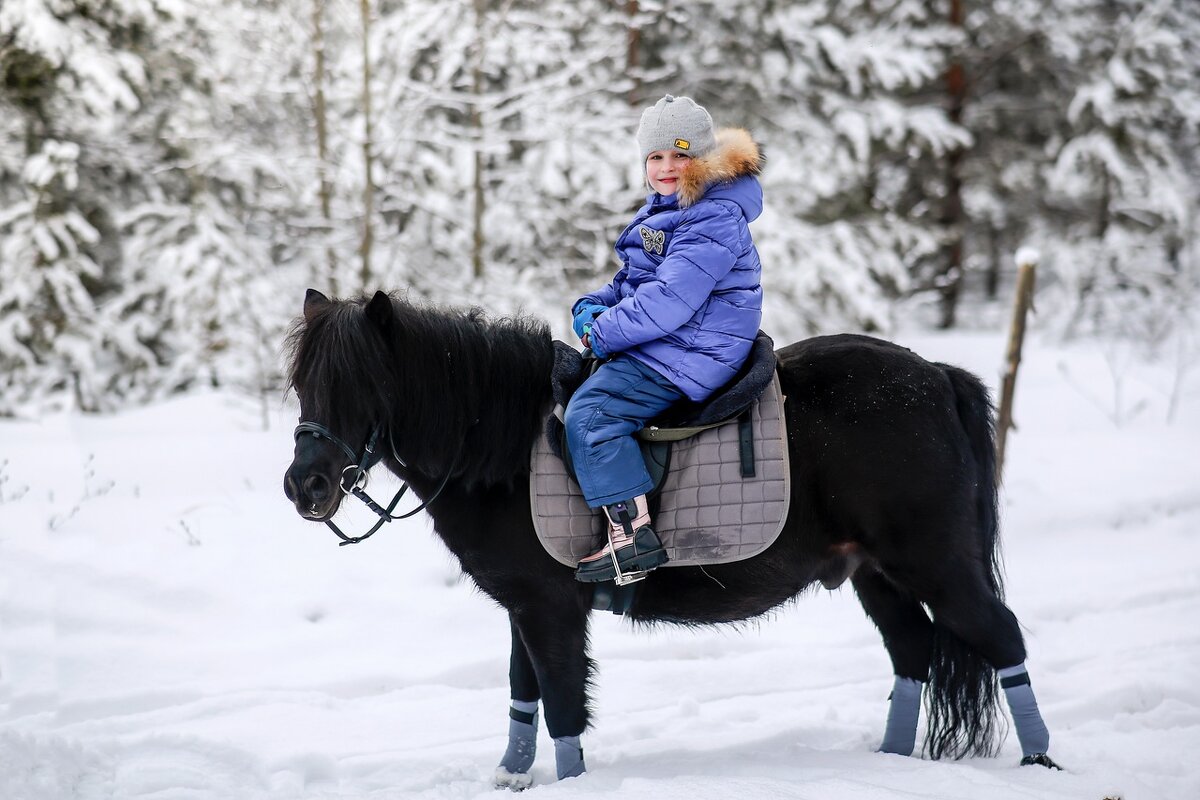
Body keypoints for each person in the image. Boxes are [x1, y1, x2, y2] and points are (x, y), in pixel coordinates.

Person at [565, 94, 764, 584]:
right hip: (668, 339)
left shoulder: (712, 215)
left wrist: (603, 333)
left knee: (592, 416)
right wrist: (591, 307)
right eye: (656, 156)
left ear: (703, 158)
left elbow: (670, 300)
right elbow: (631, 283)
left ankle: (633, 540)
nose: (667, 166)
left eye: (680, 154)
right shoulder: (667, 208)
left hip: (692, 351)